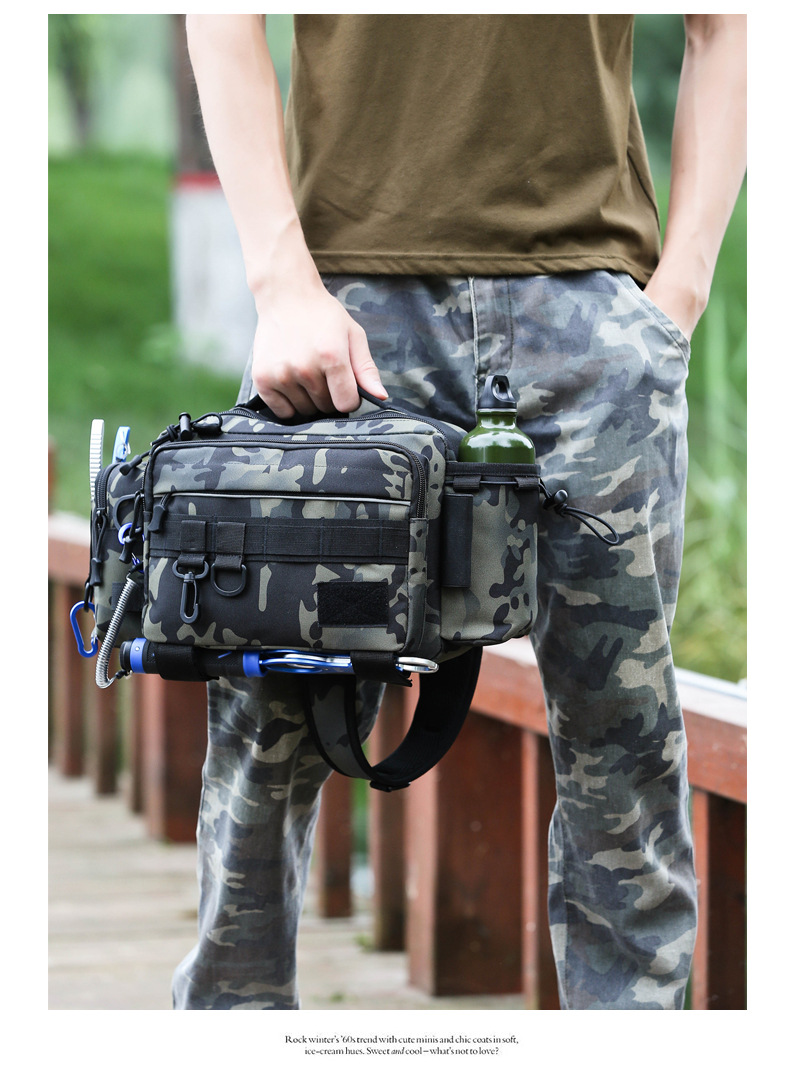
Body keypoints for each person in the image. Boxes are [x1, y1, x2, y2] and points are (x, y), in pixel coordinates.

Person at [178, 14, 746, 1010]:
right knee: (267, 732)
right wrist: (282, 284)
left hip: (591, 322)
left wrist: (676, 298)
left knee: (624, 757)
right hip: (345, 317)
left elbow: (726, 24)